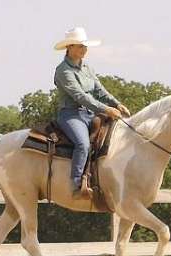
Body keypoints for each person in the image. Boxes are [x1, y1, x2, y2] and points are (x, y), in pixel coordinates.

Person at [53, 27, 131, 199]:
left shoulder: (86, 67)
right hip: (71, 115)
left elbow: (99, 90)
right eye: (81, 46)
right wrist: (106, 109)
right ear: (70, 47)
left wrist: (117, 103)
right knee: (83, 144)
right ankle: (76, 184)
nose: (85, 49)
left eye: (85, 46)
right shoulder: (63, 71)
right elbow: (79, 96)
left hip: (89, 113)